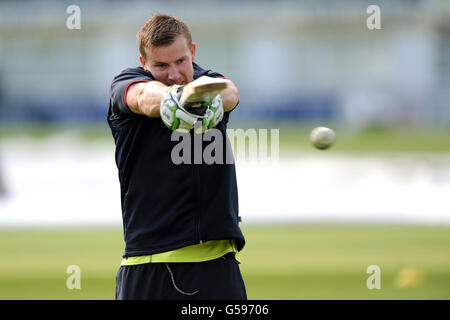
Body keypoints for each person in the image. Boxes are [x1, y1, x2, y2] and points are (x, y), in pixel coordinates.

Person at [108, 13, 246, 300]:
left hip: (218, 266)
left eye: (180, 61)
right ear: (144, 62)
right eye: (161, 65)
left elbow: (231, 91)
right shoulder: (127, 82)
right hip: (150, 266)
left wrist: (214, 100)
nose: (173, 73)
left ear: (192, 52)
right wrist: (176, 100)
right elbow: (143, 97)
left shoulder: (208, 84)